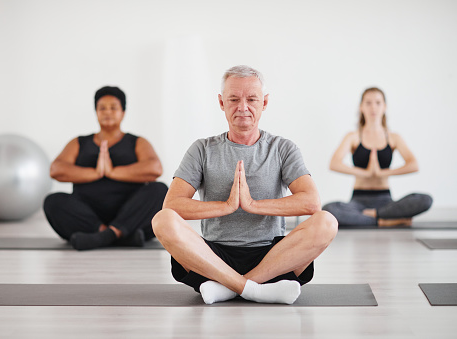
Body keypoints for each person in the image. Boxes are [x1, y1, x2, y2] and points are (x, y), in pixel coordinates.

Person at [152, 65, 338, 305]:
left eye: (251, 99)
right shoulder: (202, 149)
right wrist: (227, 206)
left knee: (327, 222)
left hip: (272, 258)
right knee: (162, 220)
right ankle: (254, 289)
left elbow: (311, 202)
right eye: (233, 99)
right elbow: (173, 205)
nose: (243, 107)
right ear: (221, 102)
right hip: (213, 257)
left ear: (264, 102)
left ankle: (229, 288)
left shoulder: (282, 148)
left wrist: (252, 204)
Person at [43, 86, 168, 250]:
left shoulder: (137, 142)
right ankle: (117, 235)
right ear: (96, 112)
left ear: (123, 112)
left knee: (159, 190)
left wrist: (112, 172)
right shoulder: (79, 142)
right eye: (102, 108)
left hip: (131, 213)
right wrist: (96, 172)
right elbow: (56, 169)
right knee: (53, 201)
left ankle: (105, 236)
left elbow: (155, 168)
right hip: (89, 214)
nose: (107, 112)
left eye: (113, 108)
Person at [323, 87, 432, 227]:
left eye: (378, 102)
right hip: (358, 202)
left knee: (425, 200)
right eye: (368, 103)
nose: (373, 107)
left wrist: (381, 173)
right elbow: (334, 163)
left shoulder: (393, 137)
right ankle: (382, 221)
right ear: (361, 107)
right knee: (329, 210)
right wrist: (366, 173)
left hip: (386, 201)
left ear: (384, 107)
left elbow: (413, 165)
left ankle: (376, 215)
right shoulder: (353, 137)